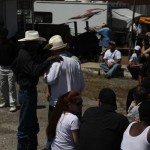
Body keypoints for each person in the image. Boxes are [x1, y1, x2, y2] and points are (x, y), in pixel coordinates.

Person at [11, 30, 62, 150]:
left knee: (32, 125)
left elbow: (14, 66)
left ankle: (32, 146)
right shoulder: (25, 56)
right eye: (36, 43)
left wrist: (21, 76)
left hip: (27, 91)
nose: (38, 45)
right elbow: (36, 71)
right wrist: (48, 61)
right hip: (27, 92)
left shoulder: (26, 53)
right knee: (25, 127)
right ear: (31, 43)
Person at [43, 35, 84, 150]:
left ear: (55, 50)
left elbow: (50, 79)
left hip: (58, 104)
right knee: (73, 133)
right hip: (74, 104)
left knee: (53, 131)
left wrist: (45, 74)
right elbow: (81, 85)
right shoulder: (75, 61)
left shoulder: (56, 62)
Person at [0, 27, 18, 112]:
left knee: (11, 87)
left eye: (2, 33)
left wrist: (13, 66)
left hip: (10, 68)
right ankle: (5, 101)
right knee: (2, 87)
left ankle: (13, 104)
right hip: (1, 67)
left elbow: (15, 56)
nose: (1, 35)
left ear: (6, 34)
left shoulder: (11, 44)